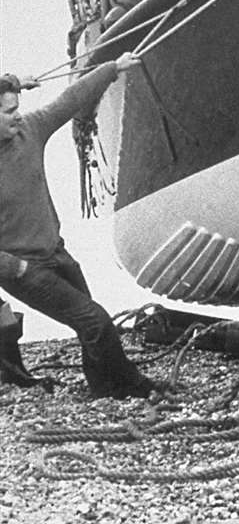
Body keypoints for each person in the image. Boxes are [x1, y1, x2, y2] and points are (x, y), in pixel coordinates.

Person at [0, 60, 162, 398]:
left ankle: (102, 388)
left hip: (55, 251)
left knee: (88, 320)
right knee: (96, 321)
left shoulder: (29, 131)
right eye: (8, 112)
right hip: (22, 268)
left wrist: (113, 67)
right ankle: (134, 387)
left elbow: (68, 102)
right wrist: (16, 267)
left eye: (17, 108)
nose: (17, 115)